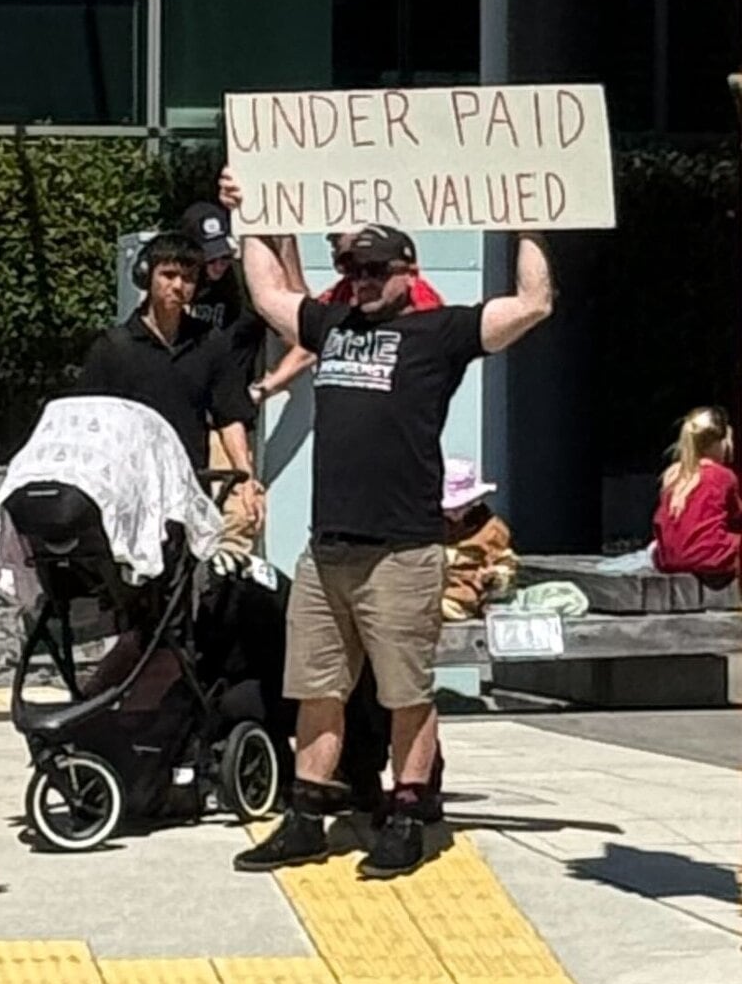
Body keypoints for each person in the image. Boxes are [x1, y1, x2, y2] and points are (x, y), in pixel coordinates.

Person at [227, 180, 554, 879]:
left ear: (410, 271)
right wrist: (249, 212)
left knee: (406, 693)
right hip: (328, 549)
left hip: (402, 551)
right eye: (353, 269)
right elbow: (265, 296)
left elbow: (534, 304)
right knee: (317, 690)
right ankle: (307, 817)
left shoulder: (440, 333)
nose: (363, 281)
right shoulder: (332, 327)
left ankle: (407, 816)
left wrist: (530, 227)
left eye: (377, 269)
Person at [76, 230, 264, 533]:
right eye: (168, 275)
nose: (178, 286)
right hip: (127, 496)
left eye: (188, 277)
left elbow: (230, 415)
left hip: (188, 491)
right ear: (146, 276)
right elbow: (88, 426)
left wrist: (246, 479)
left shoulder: (211, 343)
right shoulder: (112, 347)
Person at [652, 407, 742, 577]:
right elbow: (736, 515)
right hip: (708, 555)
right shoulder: (722, 476)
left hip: (668, 558)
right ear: (717, 443)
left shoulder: (673, 474)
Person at [440, 458, 515, 621]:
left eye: (461, 507)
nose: (454, 514)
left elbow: (505, 562)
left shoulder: (491, 529)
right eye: (448, 509)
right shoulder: (424, 524)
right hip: (424, 592)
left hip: (464, 596)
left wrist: (496, 576)